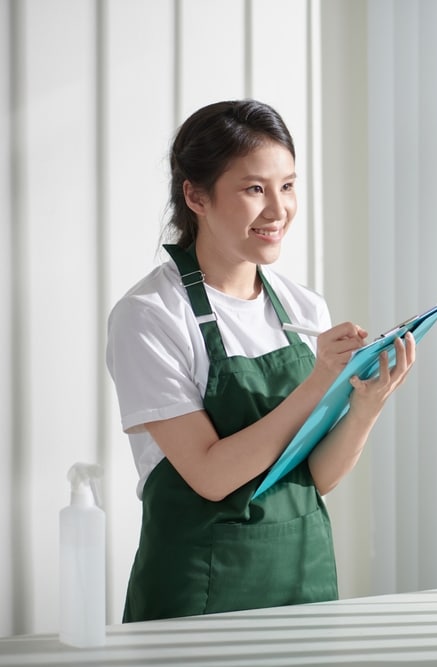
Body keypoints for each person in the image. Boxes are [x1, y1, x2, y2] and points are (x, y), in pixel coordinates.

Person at [106, 99, 415, 622]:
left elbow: (314, 478)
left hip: (304, 583)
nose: (278, 210)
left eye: (288, 186)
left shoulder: (302, 307)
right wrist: (319, 382)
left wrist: (366, 405)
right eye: (255, 189)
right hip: (198, 597)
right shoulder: (149, 315)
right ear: (195, 196)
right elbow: (210, 475)